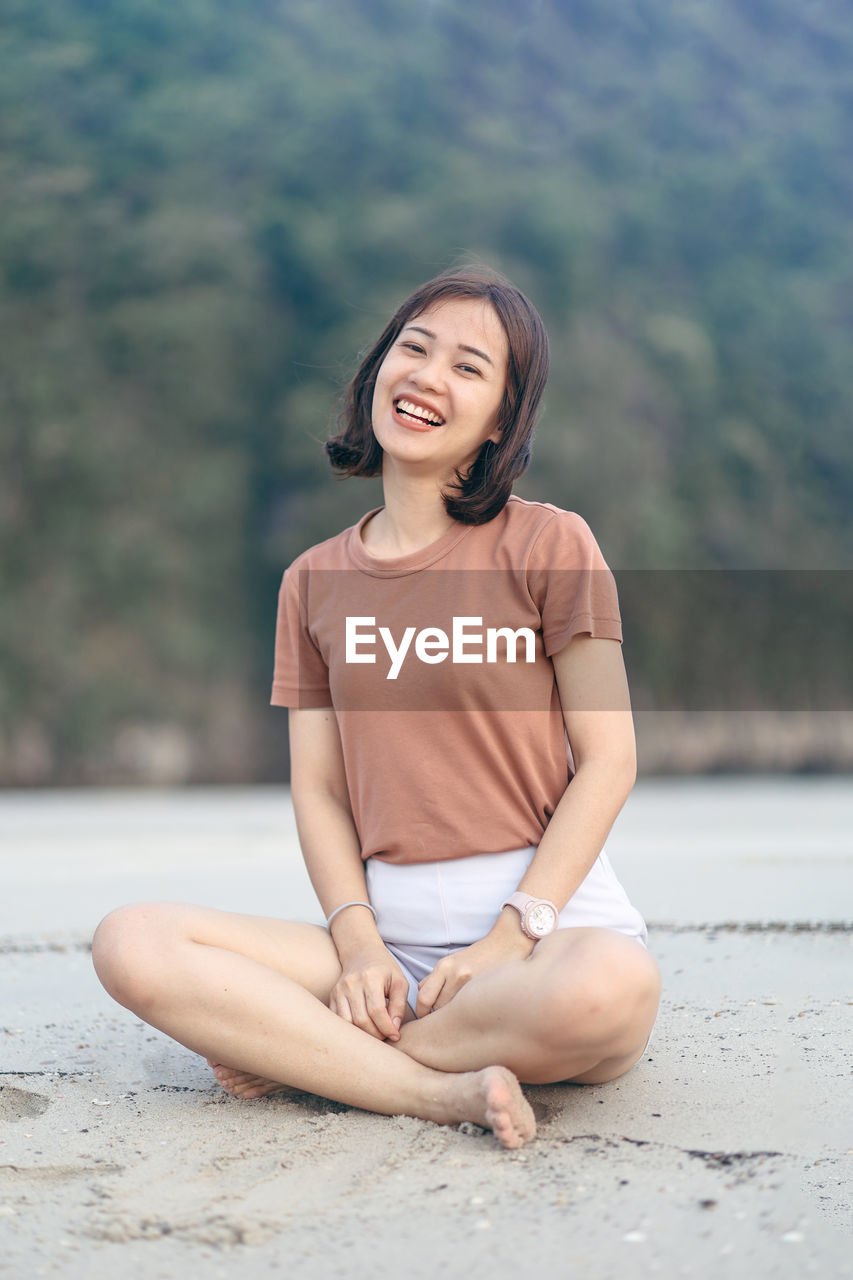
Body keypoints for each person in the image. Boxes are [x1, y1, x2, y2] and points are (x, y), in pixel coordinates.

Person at [92, 267, 660, 1150]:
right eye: (415, 348)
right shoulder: (312, 582)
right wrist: (358, 950)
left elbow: (609, 760)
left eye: (469, 368)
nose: (429, 377)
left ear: (502, 419)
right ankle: (435, 1090)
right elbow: (319, 792)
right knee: (132, 942)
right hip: (384, 939)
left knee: (611, 989)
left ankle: (310, 1058)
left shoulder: (551, 543)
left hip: (543, 934)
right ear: (376, 373)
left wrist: (511, 939)